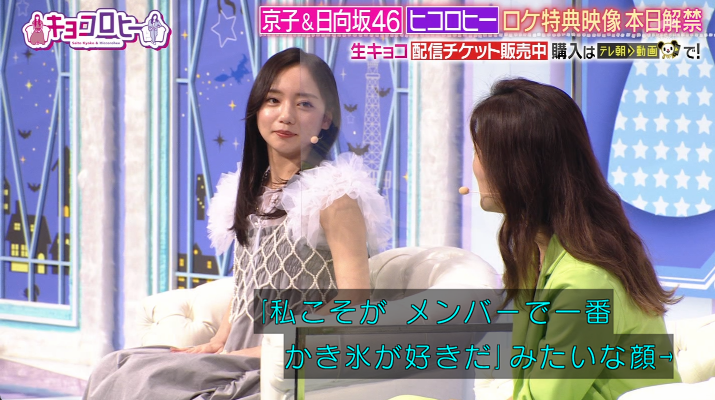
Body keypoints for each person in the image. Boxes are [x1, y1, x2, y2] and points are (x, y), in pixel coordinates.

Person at [83, 47, 392, 400]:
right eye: (273, 100)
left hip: (291, 363)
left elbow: (354, 306)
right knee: (115, 366)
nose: (286, 115)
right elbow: (248, 282)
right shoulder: (248, 190)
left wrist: (271, 351)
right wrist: (219, 340)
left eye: (304, 104)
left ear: (326, 119)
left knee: (147, 382)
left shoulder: (335, 195)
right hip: (237, 353)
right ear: (257, 108)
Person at [389, 78, 681, 400]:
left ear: (521, 169)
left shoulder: (585, 281)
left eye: (480, 152)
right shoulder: (539, 256)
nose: (475, 167)